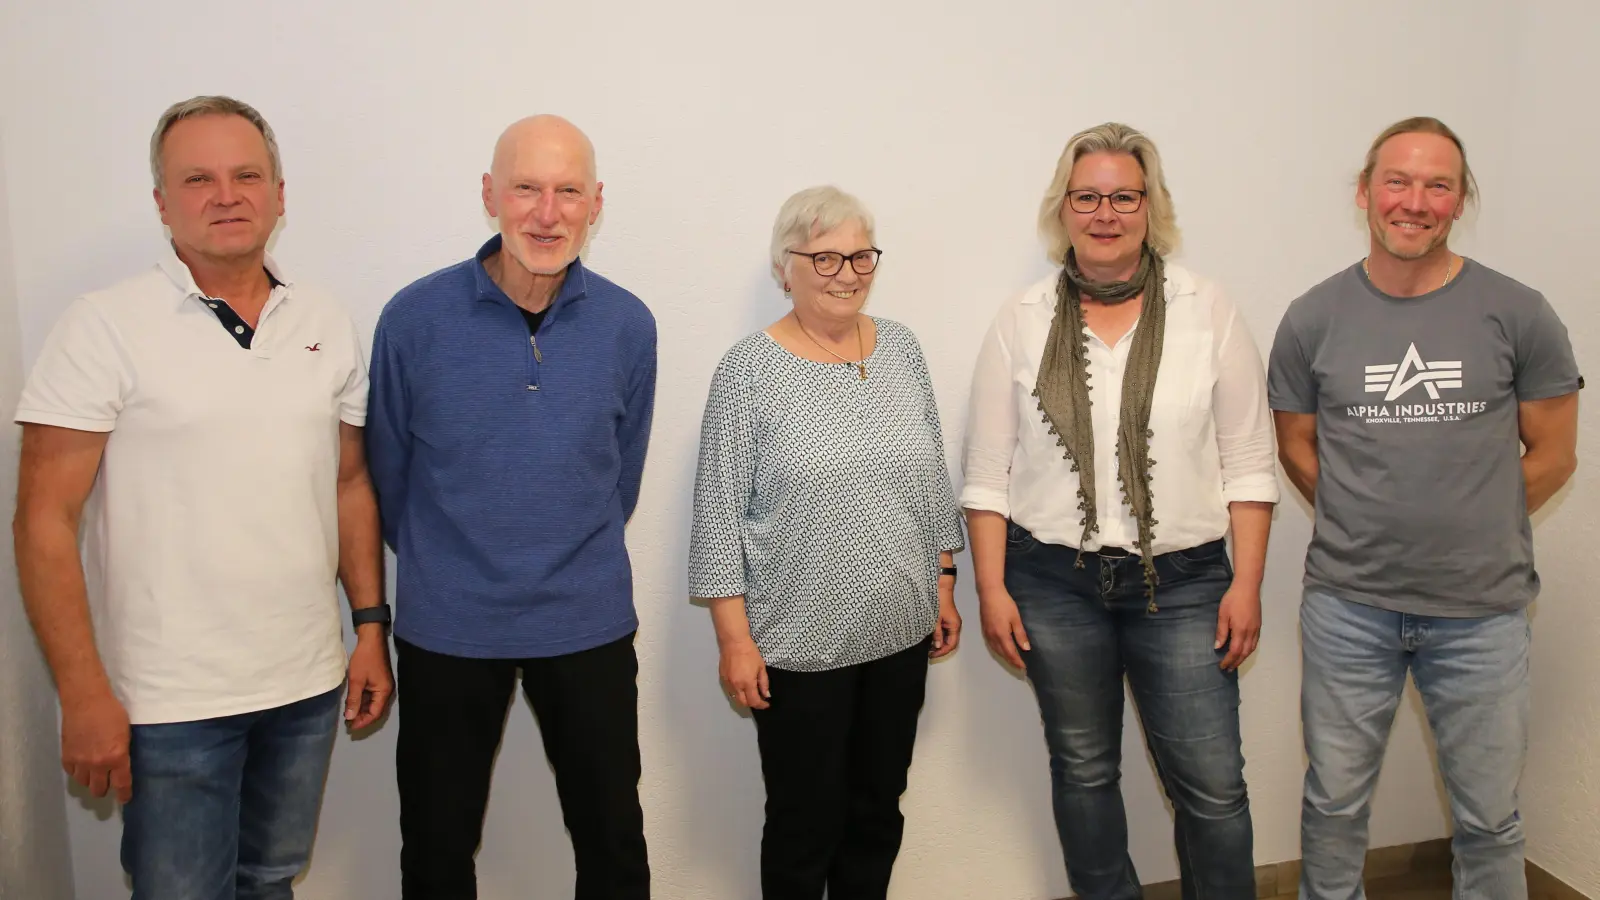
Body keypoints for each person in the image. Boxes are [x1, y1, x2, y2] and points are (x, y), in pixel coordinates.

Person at [11, 94, 391, 899]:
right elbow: (43, 519)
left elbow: (349, 481)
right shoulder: (102, 325)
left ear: (279, 194)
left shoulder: (324, 319)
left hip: (304, 682)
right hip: (168, 701)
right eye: (198, 179)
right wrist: (82, 692)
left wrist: (368, 626)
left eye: (246, 175)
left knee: (271, 880)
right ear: (162, 203)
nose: (226, 196)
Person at [960, 122, 1278, 900]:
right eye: (1088, 197)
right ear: (1062, 208)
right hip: (1052, 583)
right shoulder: (1022, 318)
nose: (1106, 213)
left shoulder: (1208, 310)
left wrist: (1247, 584)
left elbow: (1248, 462)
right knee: (1084, 771)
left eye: (1124, 197)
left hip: (1186, 584)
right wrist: (992, 588)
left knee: (1212, 786)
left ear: (1150, 205)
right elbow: (989, 473)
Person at [1269, 116, 1580, 900]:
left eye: (1438, 185)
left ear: (1460, 199)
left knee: (1489, 820)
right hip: (1348, 609)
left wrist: (1474, 523)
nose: (1415, 202)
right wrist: (1366, 517)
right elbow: (1297, 446)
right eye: (1398, 181)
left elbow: (1554, 454)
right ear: (1365, 192)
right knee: (1333, 806)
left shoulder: (1519, 312)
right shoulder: (1313, 317)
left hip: (1482, 613)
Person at [366, 114, 657, 900]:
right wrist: (456, 560)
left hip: (586, 620)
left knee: (614, 843)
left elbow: (618, 475)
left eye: (568, 192)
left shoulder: (629, 325)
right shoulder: (413, 320)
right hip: (450, 624)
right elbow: (388, 476)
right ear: (490, 194)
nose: (547, 213)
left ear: (597, 203)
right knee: (436, 849)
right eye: (527, 188)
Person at [688, 185, 964, 900]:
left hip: (900, 632)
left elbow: (930, 470)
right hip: (799, 647)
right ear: (785, 267)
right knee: (804, 823)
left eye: (860, 255)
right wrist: (734, 641)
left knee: (877, 811)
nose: (846, 272)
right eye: (825, 257)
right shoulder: (748, 371)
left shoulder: (901, 348)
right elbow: (717, 515)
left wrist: (942, 581)